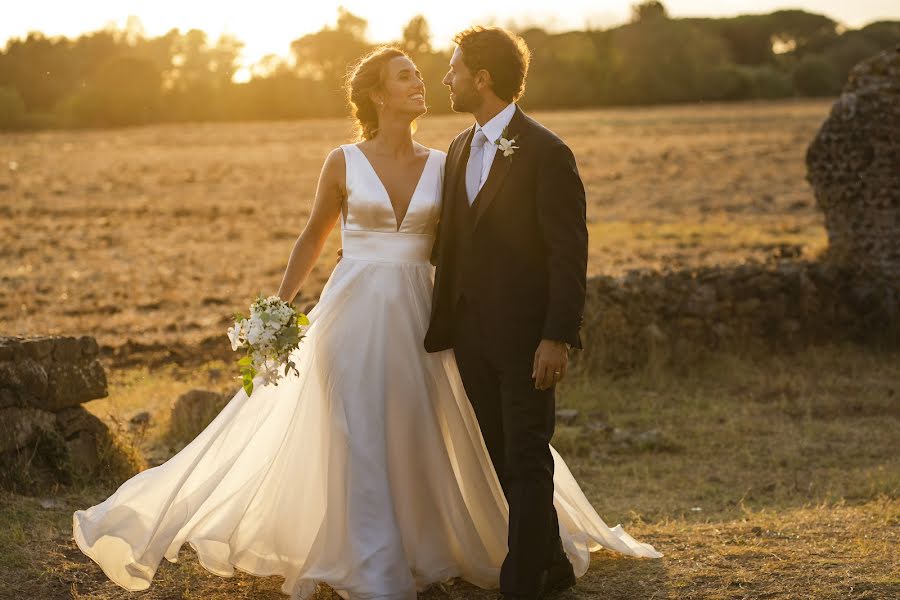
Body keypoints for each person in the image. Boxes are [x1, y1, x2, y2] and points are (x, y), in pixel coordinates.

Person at [73, 46, 661, 600]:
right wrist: (279, 308)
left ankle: (456, 544)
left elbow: (469, 243)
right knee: (359, 433)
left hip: (420, 316)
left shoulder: (447, 161)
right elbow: (312, 237)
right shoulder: (343, 162)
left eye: (424, 73)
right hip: (352, 311)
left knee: (418, 430)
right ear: (378, 94)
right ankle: (374, 560)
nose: (422, 80)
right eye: (406, 75)